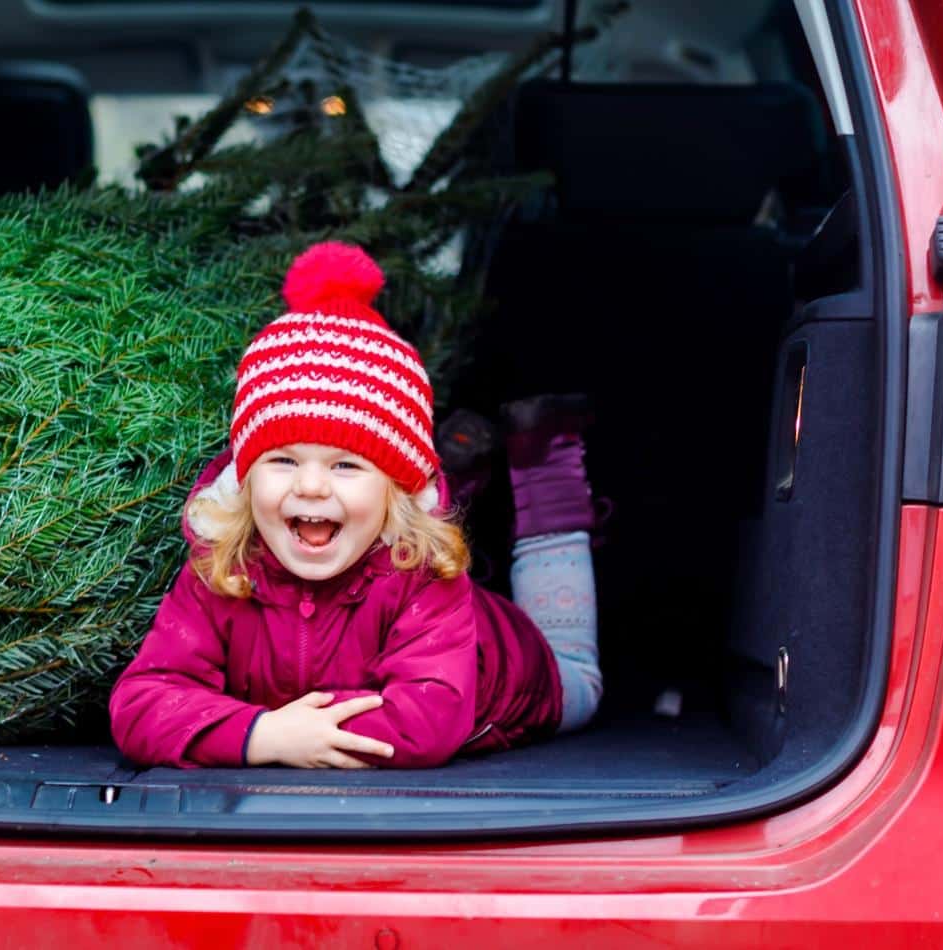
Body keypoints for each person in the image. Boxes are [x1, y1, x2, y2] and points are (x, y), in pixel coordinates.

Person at [108, 242, 602, 769]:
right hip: (395, 592)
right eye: (283, 461)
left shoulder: (424, 576)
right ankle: (452, 470)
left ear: (396, 491)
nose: (312, 486)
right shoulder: (223, 571)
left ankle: (544, 467)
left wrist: (299, 729)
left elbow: (427, 720)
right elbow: (140, 704)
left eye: (345, 465)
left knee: (581, 678)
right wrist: (264, 735)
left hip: (517, 671)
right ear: (244, 479)